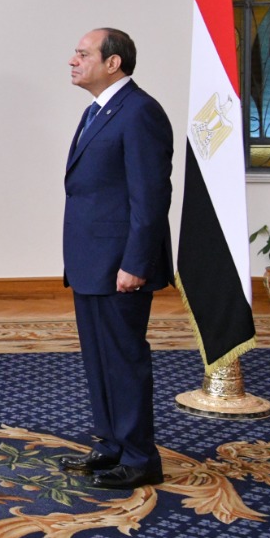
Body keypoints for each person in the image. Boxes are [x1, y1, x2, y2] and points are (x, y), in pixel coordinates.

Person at [61, 28, 173, 490]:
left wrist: (136, 263)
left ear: (113, 63)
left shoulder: (140, 111)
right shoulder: (97, 111)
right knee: (99, 360)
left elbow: (151, 197)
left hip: (120, 264)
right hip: (91, 261)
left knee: (124, 360)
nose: (73, 60)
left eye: (83, 54)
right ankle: (111, 445)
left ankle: (140, 457)